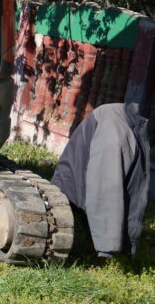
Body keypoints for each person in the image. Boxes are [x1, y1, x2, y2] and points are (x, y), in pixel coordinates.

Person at [51, 102, 151, 258]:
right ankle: (98, 243)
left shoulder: (131, 123)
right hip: (73, 194)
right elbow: (105, 189)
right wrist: (108, 246)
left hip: (80, 185)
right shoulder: (115, 135)